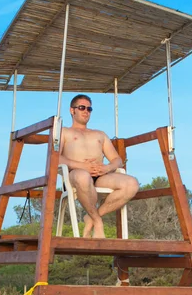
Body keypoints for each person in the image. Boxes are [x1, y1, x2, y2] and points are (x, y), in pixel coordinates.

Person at [59, 94, 139, 238]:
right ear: (72, 110)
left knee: (132, 184)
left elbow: (117, 160)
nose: (86, 111)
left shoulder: (99, 134)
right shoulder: (64, 132)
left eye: (89, 109)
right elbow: (56, 158)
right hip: (75, 175)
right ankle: (98, 222)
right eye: (82, 107)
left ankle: (92, 217)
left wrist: (107, 168)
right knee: (83, 176)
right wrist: (82, 166)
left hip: (100, 175)